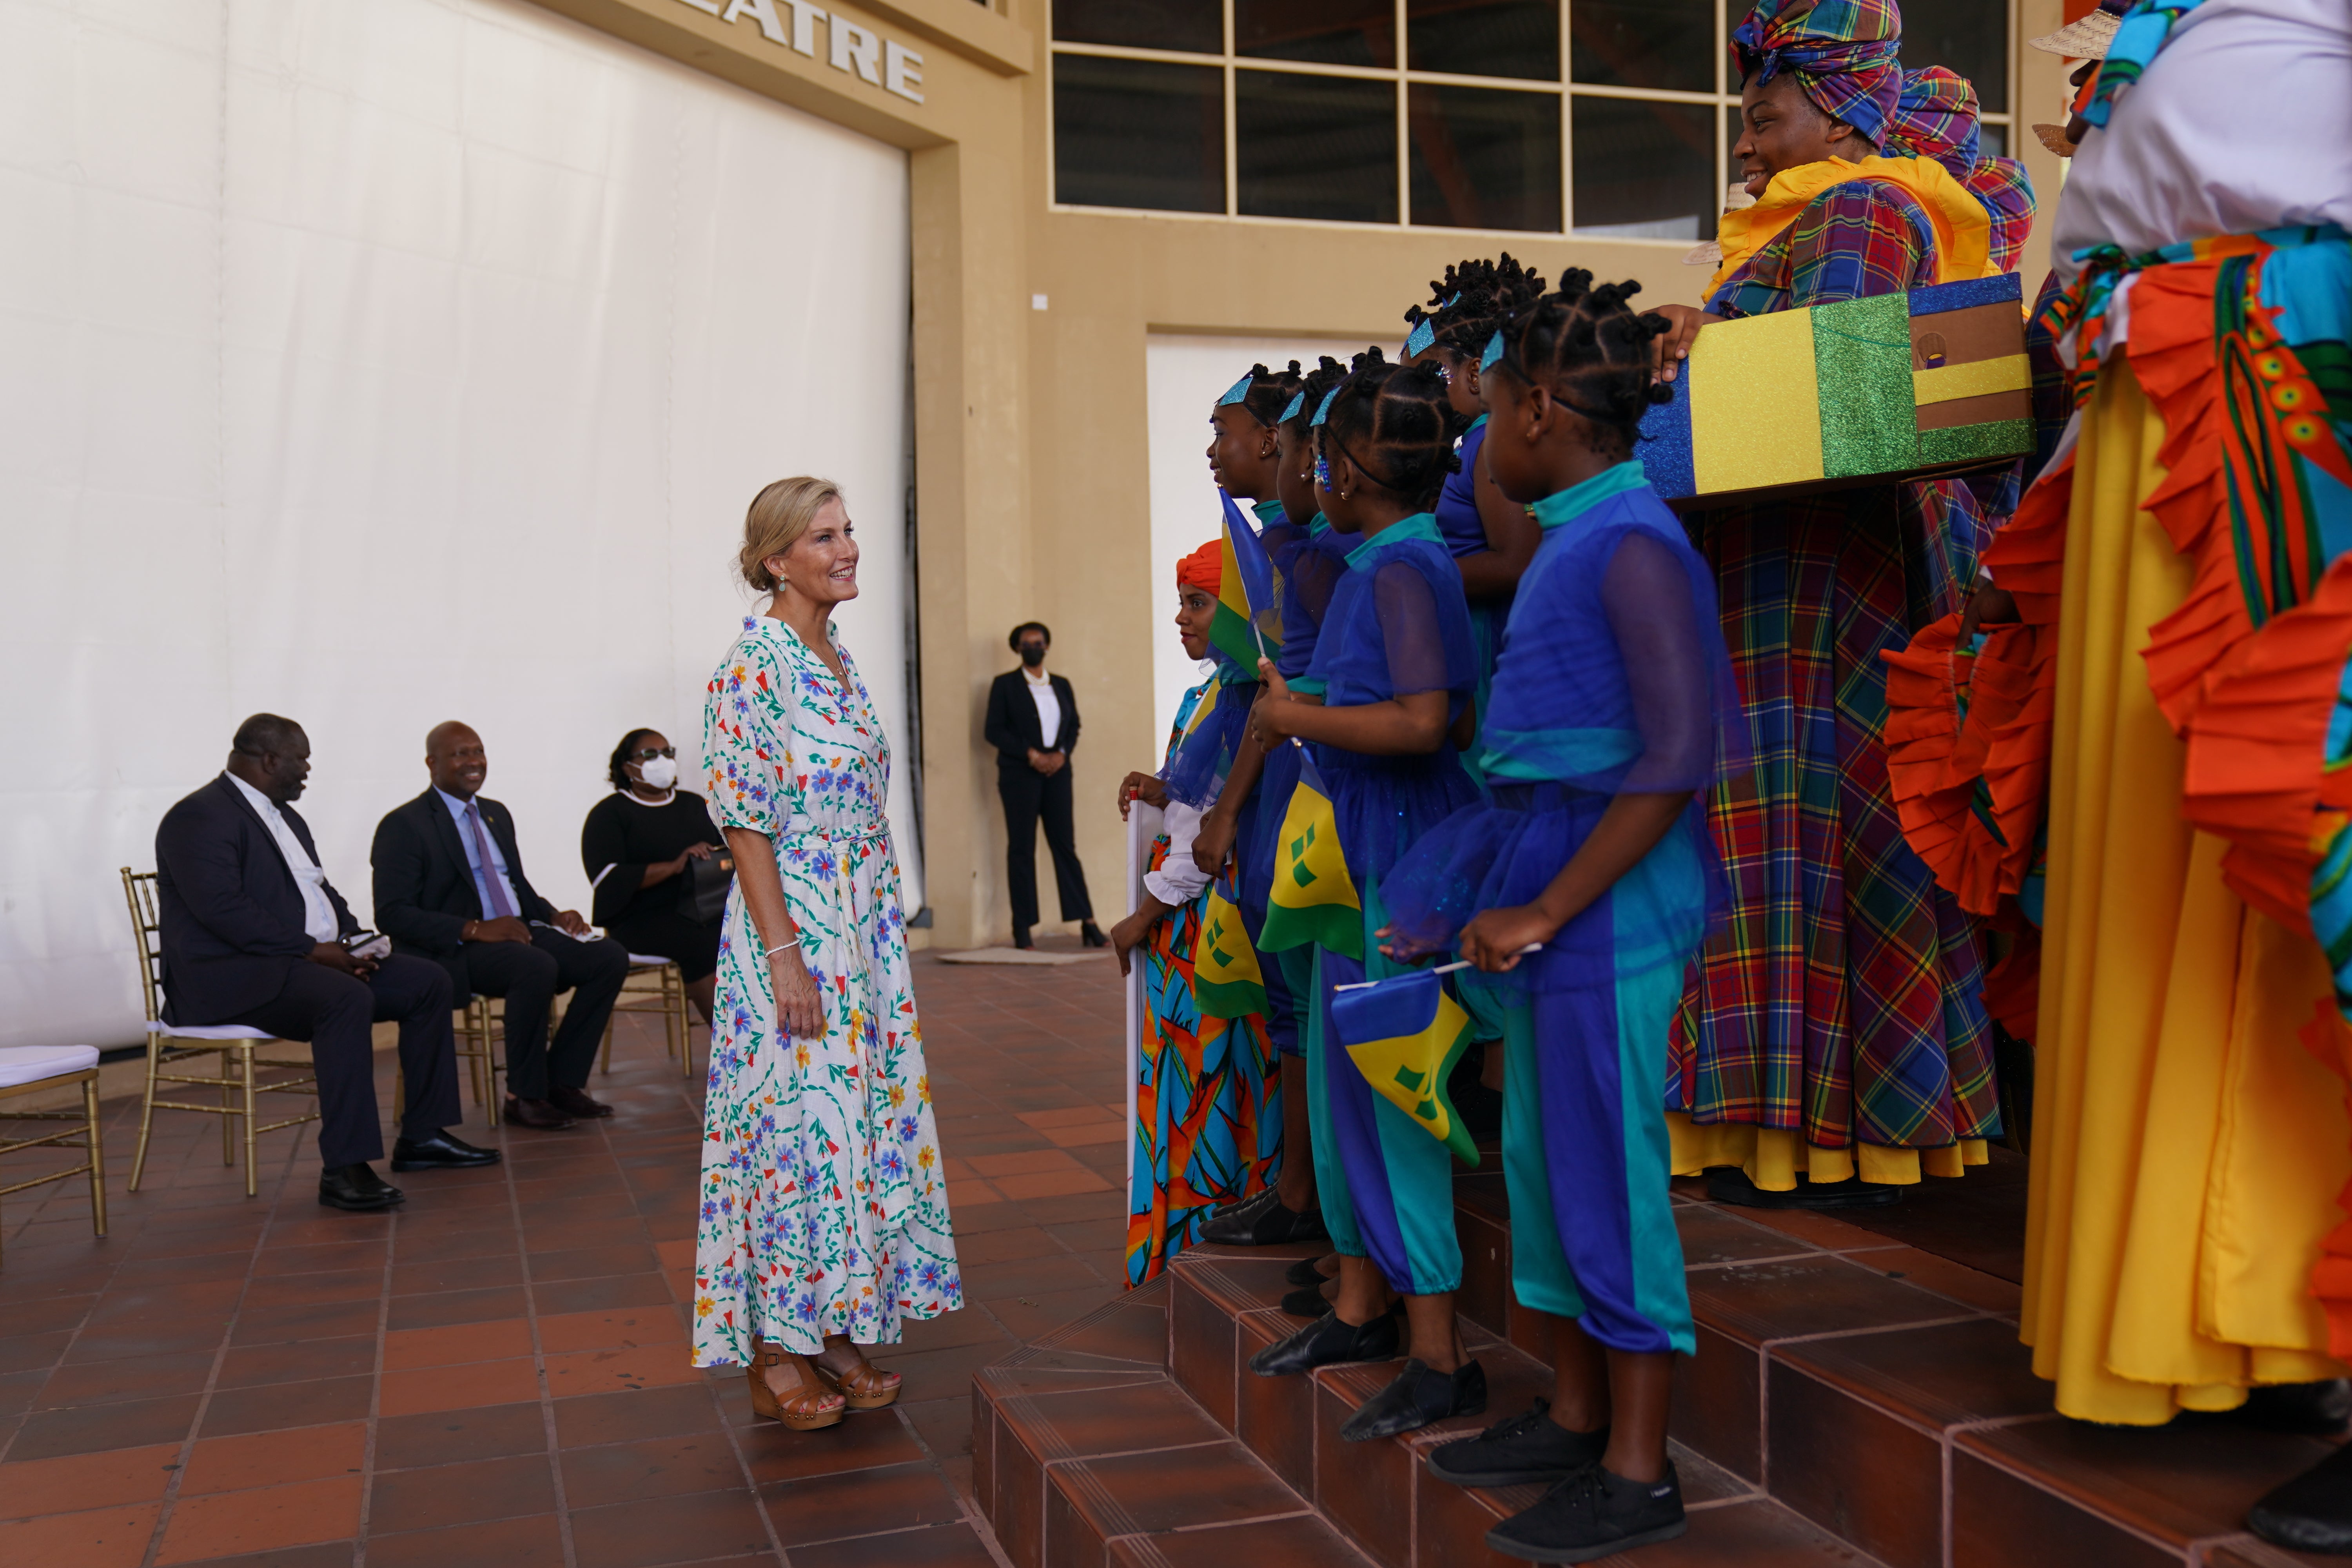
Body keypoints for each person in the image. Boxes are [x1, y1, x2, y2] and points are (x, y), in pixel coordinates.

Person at [1882, 0, 2352, 1547]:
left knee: (2319, 866)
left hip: (2292, 396)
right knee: (2177, 900)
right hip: (2147, 410)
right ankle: (2249, 1323)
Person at [1385, 277, 1735, 1563]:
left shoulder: (1634, 542)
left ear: (1539, 410)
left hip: (1606, 905)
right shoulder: (1575, 532)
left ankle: (1640, 1469)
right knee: (1542, 1160)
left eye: (1489, 412)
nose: (1473, 438)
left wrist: (1546, 904)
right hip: (1559, 895)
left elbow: (1677, 753)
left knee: (1607, 1170)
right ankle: (1577, 1414)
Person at [1643, 0, 2010, 1206]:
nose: (1747, 129)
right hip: (1773, 563)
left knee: (1793, 829)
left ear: (1840, 105)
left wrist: (1702, 354)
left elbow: (1844, 405)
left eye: (1769, 106)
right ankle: (1787, 1119)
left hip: (1814, 580)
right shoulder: (1806, 216)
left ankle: (1801, 1123)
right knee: (1775, 834)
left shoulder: (1861, 206)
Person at [1245, 349, 1485, 1443]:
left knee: (1397, 1096)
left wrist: (1299, 720)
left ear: (1343, 467)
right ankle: (1360, 1302)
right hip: (1355, 855)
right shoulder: (1376, 558)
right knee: (1350, 1096)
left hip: (1403, 859)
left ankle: (1437, 1352)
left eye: (1313, 452)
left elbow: (1426, 723)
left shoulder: (1404, 568)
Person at [696, 475, 960, 1430]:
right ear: (776, 559)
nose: (847, 549)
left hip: (862, 937)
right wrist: (786, 956)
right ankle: (777, 1346)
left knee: (853, 1133)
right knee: (791, 1139)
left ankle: (834, 1322)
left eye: (848, 531)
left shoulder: (835, 656)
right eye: (823, 537)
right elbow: (745, 820)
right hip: (795, 933)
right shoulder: (755, 661)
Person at [155, 714, 497, 1212]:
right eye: (302, 759)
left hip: (300, 965)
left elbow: (320, 890)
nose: (308, 769)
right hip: (229, 977)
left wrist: (354, 941)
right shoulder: (199, 817)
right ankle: (346, 1168)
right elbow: (223, 910)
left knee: (427, 980)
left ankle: (423, 1137)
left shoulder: (286, 817)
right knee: (343, 999)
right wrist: (314, 951)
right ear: (270, 760)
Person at [1196, 354, 1353, 1250]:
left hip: (1300, 787)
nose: (1214, 449)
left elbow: (1272, 695)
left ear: (1274, 440)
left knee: (1312, 995)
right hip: (1267, 784)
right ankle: (1297, 1185)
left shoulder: (1304, 555)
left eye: (1225, 431)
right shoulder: (1265, 542)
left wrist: (1224, 809)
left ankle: (1317, 1196)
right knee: (1288, 1001)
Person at [1111, 541, 1281, 1284]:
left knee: (1214, 1078)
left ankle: (1207, 1237)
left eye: (1199, 602)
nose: (1182, 618)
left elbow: (1206, 834)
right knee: (1199, 1082)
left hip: (1208, 925)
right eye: (1181, 600)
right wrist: (1159, 788)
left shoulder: (1245, 698)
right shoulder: (1209, 695)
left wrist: (1143, 916)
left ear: (1239, 613)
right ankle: (1191, 1240)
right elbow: (1194, 799)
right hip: (1195, 922)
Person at [370, 722, 630, 1131]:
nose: (473, 762)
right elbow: (392, 913)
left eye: (478, 750)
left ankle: (560, 1081)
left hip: (517, 931)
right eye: (459, 754)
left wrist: (553, 914)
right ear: (431, 763)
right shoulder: (405, 825)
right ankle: (523, 1094)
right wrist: (473, 928)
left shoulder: (495, 813)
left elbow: (512, 883)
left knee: (609, 957)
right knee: (534, 965)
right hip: (456, 946)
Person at [581, 727, 726, 1025]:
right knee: (701, 942)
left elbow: (722, 851)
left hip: (702, 907)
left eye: (667, 752)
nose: (662, 760)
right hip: (640, 918)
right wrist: (675, 865)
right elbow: (607, 879)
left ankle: (759, 1029)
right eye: (650, 754)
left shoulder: (694, 805)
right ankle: (727, 1041)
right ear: (626, 765)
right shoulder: (610, 814)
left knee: (741, 931)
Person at [983, 621, 1104, 949]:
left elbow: (1073, 725)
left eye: (1039, 643)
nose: (1033, 648)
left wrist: (1062, 755)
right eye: (1026, 644)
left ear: (1047, 646)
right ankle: (1022, 928)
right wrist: (1031, 754)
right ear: (1017, 649)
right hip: (1019, 776)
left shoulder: (1062, 685)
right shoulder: (1005, 685)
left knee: (1065, 845)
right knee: (1021, 849)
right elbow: (994, 731)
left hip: (1058, 775)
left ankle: (1088, 923)